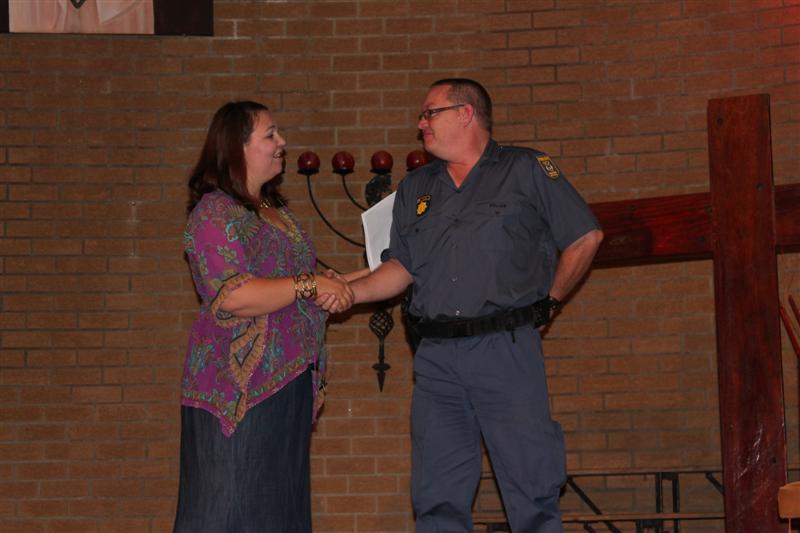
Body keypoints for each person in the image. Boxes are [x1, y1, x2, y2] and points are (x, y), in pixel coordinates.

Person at [347, 79, 603, 532]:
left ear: (465, 113)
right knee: (436, 496)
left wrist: (550, 302)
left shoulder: (526, 168)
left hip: (505, 349)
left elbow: (586, 237)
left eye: (430, 113)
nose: (421, 123)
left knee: (531, 488)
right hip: (435, 359)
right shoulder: (416, 187)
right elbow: (401, 269)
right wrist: (349, 293)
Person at [173, 101, 354, 533]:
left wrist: (326, 283)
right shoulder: (214, 212)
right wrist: (310, 284)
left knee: (277, 510)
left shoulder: (276, 212)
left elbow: (289, 285)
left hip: (289, 379)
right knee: (230, 509)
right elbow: (233, 295)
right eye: (270, 134)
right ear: (236, 146)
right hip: (239, 390)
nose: (282, 142)